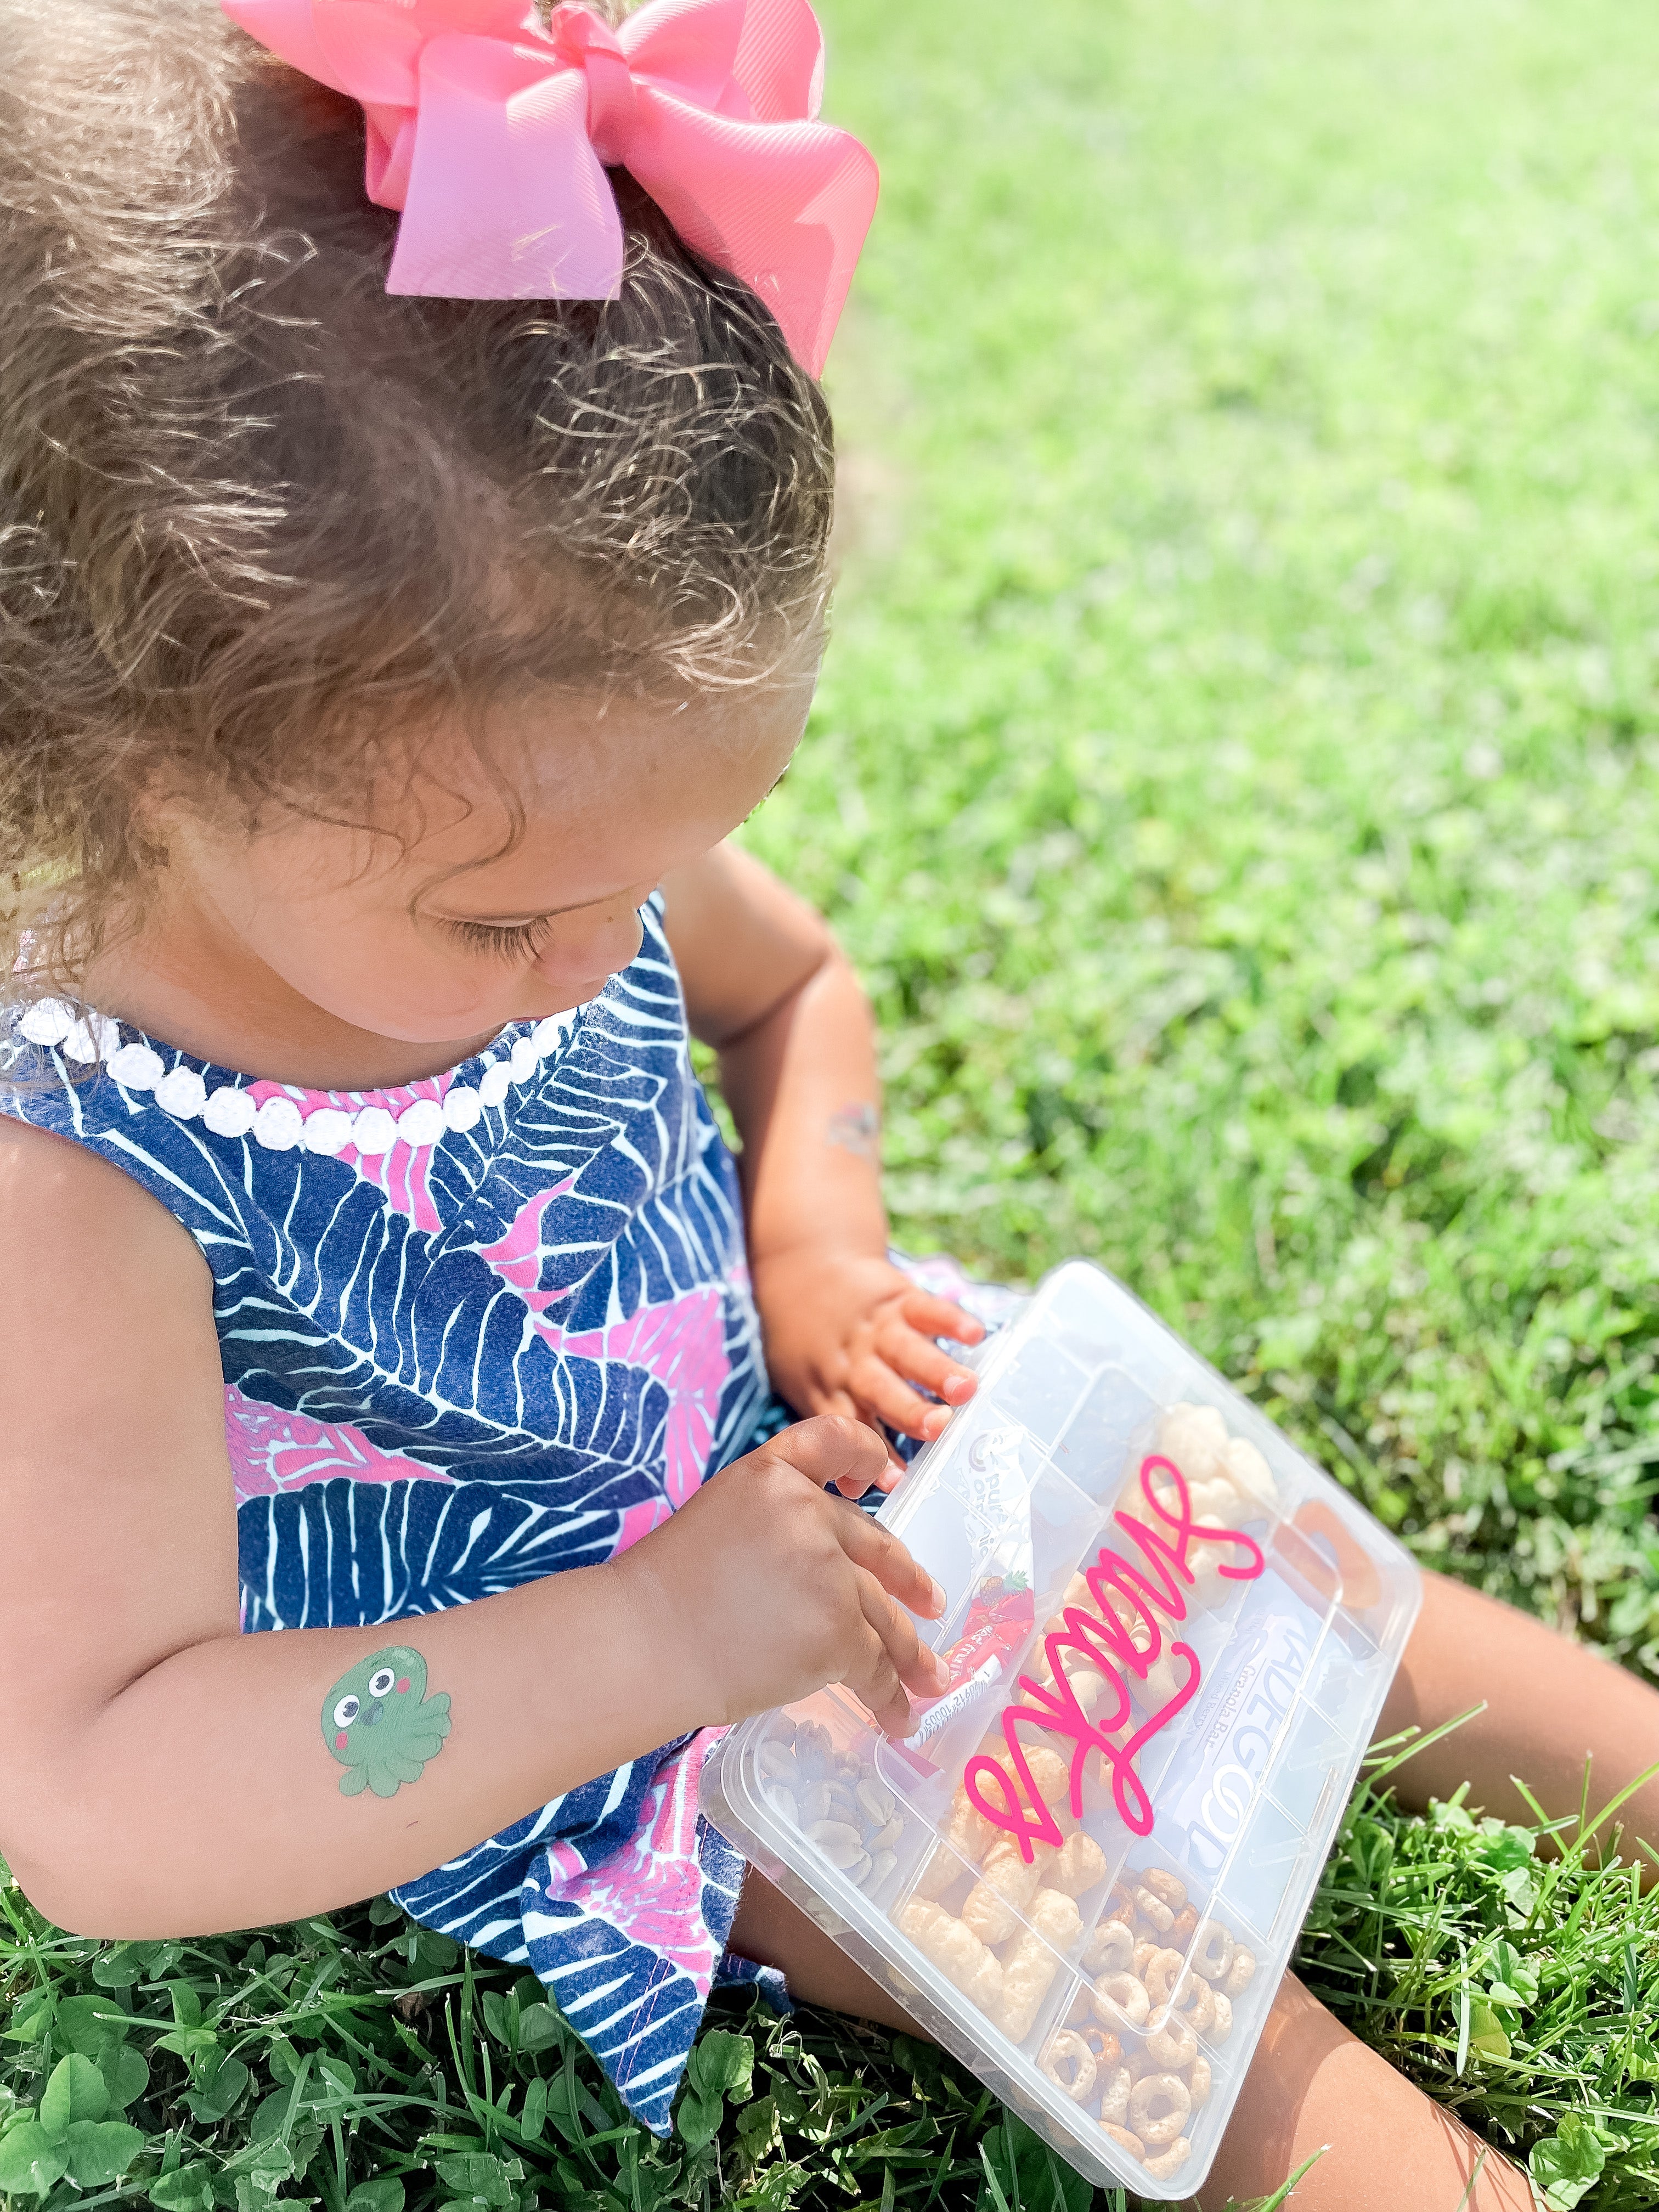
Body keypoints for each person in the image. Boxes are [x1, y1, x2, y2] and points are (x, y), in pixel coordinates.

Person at [1, 4, 1654, 2205]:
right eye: (512, 928)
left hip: (835, 1449)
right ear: (133, 764)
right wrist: (656, 1637)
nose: (613, 955)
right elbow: (103, 1796)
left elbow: (799, 995)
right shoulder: (78, 1180)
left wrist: (820, 1249)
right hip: (599, 1700)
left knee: (1326, 1600)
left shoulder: (521, 802)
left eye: (646, 870)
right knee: (1086, 1912)